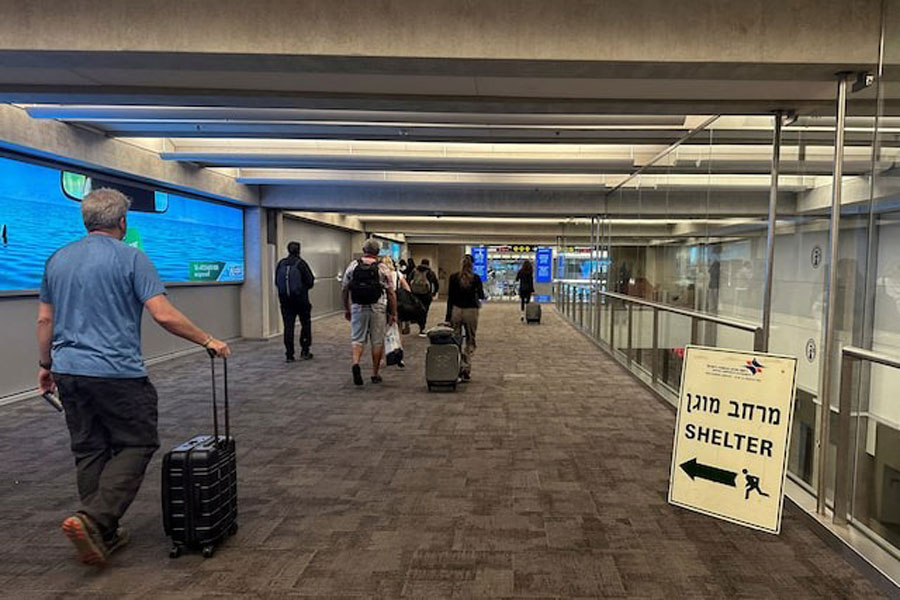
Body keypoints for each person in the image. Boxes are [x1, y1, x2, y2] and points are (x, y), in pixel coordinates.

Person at [36, 188, 231, 566]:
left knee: (90, 449)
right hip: (116, 373)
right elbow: (163, 314)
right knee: (137, 442)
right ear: (122, 222)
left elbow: (45, 319)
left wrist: (46, 365)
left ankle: (102, 535)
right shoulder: (132, 258)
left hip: (68, 371)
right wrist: (208, 339)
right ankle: (93, 519)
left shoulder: (56, 260)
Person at [342, 239, 398, 385]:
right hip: (377, 307)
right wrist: (393, 313)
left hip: (358, 306)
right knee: (377, 341)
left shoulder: (353, 266)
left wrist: (347, 308)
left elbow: (345, 289)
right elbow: (391, 292)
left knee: (357, 339)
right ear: (378, 252)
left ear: (363, 249)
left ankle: (355, 362)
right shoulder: (382, 268)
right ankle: (375, 373)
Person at [444, 254, 485, 382]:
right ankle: (466, 367)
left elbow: (450, 298)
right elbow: (482, 295)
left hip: (456, 310)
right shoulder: (476, 278)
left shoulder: (453, 278)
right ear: (472, 265)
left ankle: (457, 365)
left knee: (455, 339)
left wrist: (448, 316)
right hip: (471, 311)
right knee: (470, 339)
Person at [275, 241, 315, 362]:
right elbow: (310, 281)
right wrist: (302, 289)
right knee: (305, 324)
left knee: (288, 326)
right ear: (299, 250)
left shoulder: (281, 264)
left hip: (285, 301)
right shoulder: (301, 264)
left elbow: (276, 282)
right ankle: (305, 350)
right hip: (301, 300)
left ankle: (289, 354)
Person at [380, 256, 409, 367]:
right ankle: (399, 357)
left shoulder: (380, 274)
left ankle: (383, 358)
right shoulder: (398, 274)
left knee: (382, 332)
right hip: (396, 304)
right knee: (398, 330)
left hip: (383, 305)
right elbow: (407, 289)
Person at [410, 257, 439, 336]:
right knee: (425, 310)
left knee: (416, 308)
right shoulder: (430, 272)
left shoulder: (415, 270)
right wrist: (434, 293)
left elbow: (409, 280)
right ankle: (422, 328)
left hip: (415, 293)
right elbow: (436, 283)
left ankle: (415, 320)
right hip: (426, 294)